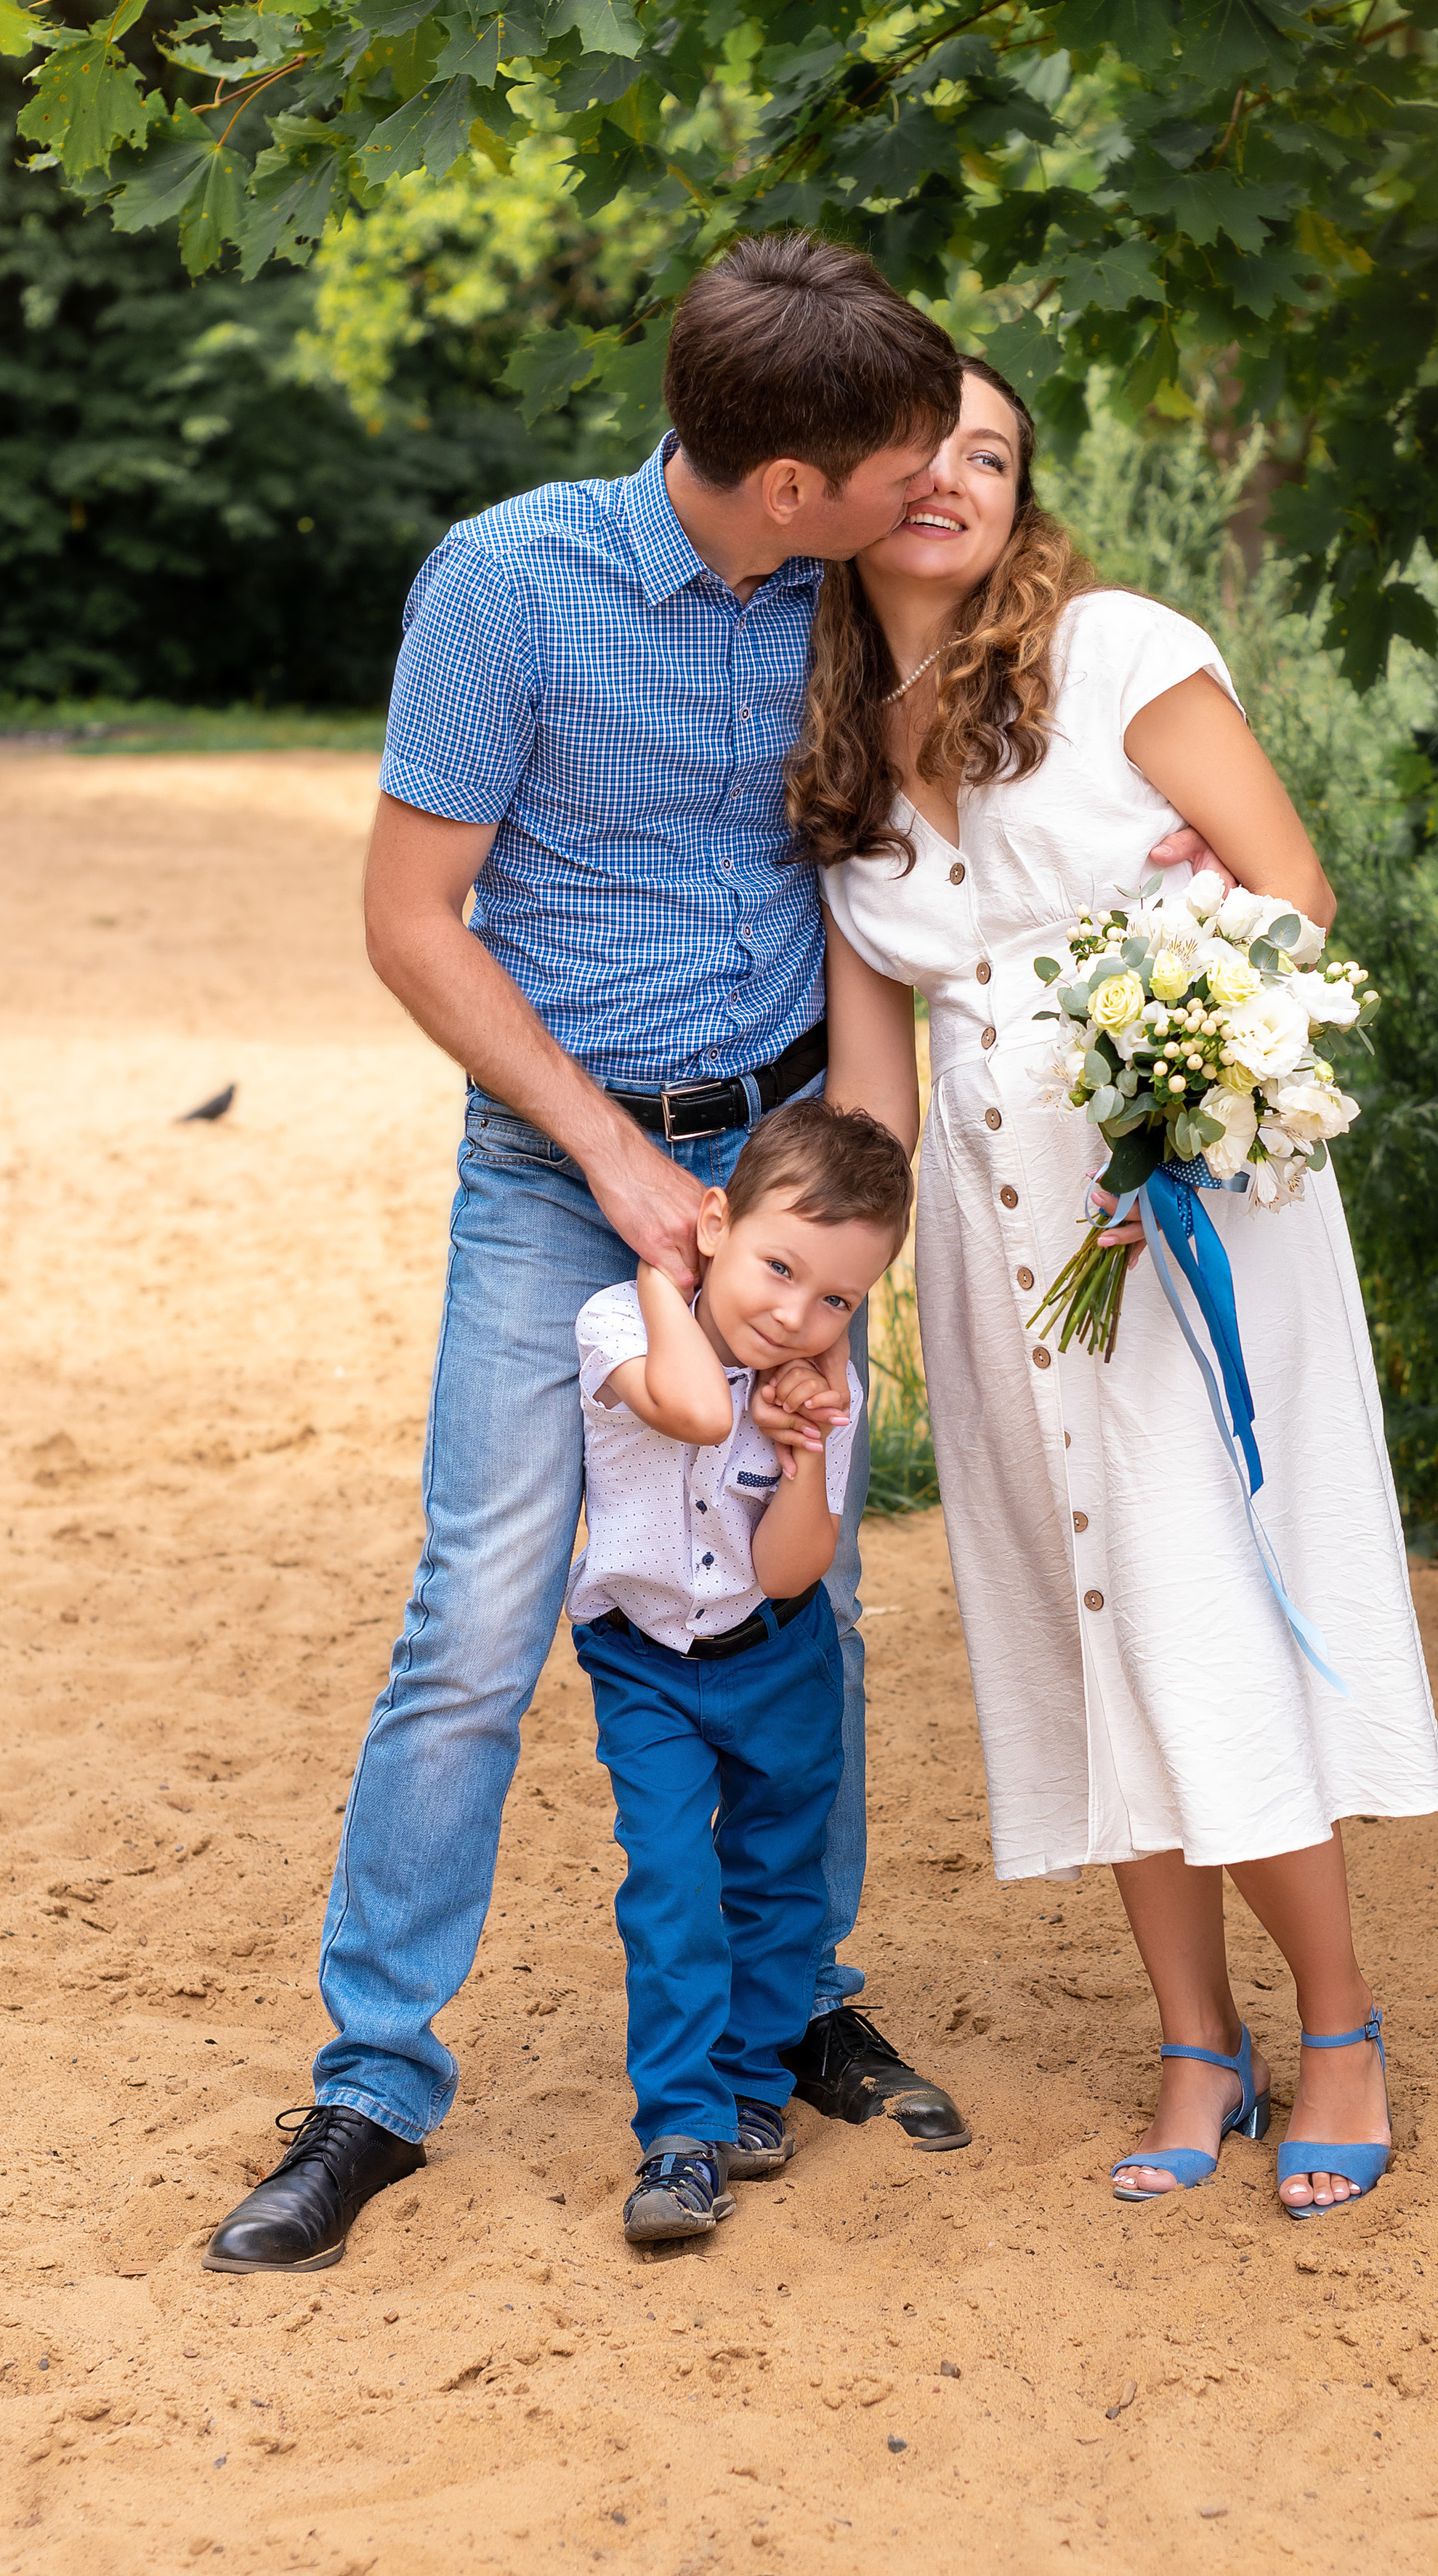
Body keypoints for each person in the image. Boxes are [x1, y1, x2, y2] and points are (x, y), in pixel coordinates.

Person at [204, 233, 979, 2279]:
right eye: (893, 466)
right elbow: (413, 920)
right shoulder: (506, 586)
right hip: (563, 1171)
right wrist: (623, 1167)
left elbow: (879, 886)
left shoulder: (849, 595)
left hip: (794, 1166)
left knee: (809, 1593)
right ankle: (374, 2080)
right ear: (783, 480)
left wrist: (853, 1220)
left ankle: (787, 1998)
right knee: (479, 1610)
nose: (928, 493)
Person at [799, 356, 1438, 2220]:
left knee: (1200, 1601)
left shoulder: (1109, 655)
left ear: (1020, 497)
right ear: (852, 484)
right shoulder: (836, 746)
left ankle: (1335, 2028)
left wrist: (1165, 1013)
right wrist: (818, 1313)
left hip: (1181, 1222)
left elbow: (1290, 896)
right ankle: (1193, 2040)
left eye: (990, 455)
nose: (953, 479)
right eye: (923, 449)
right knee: (1080, 1612)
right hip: (994, 1253)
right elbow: (873, 1086)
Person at [570, 1100, 916, 2244]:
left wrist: (806, 1448)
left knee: (777, 1877)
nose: (796, 1312)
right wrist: (666, 1278)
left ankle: (754, 2093)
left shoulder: (817, 1389)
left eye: (838, 1300)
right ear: (715, 1222)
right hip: (649, 1664)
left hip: (779, 1658)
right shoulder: (621, 1318)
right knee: (673, 1881)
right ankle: (679, 2130)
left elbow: (789, 1571)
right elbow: (688, 1405)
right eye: (778, 1265)